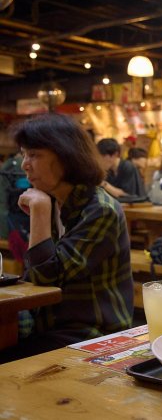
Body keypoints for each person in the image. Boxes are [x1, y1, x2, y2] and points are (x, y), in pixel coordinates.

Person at [0, 113, 133, 363]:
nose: (24, 164)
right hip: (52, 323)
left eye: (34, 155)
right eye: (24, 154)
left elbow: (44, 278)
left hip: (95, 334)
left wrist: (39, 212)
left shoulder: (100, 209)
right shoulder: (53, 200)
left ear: (66, 156)